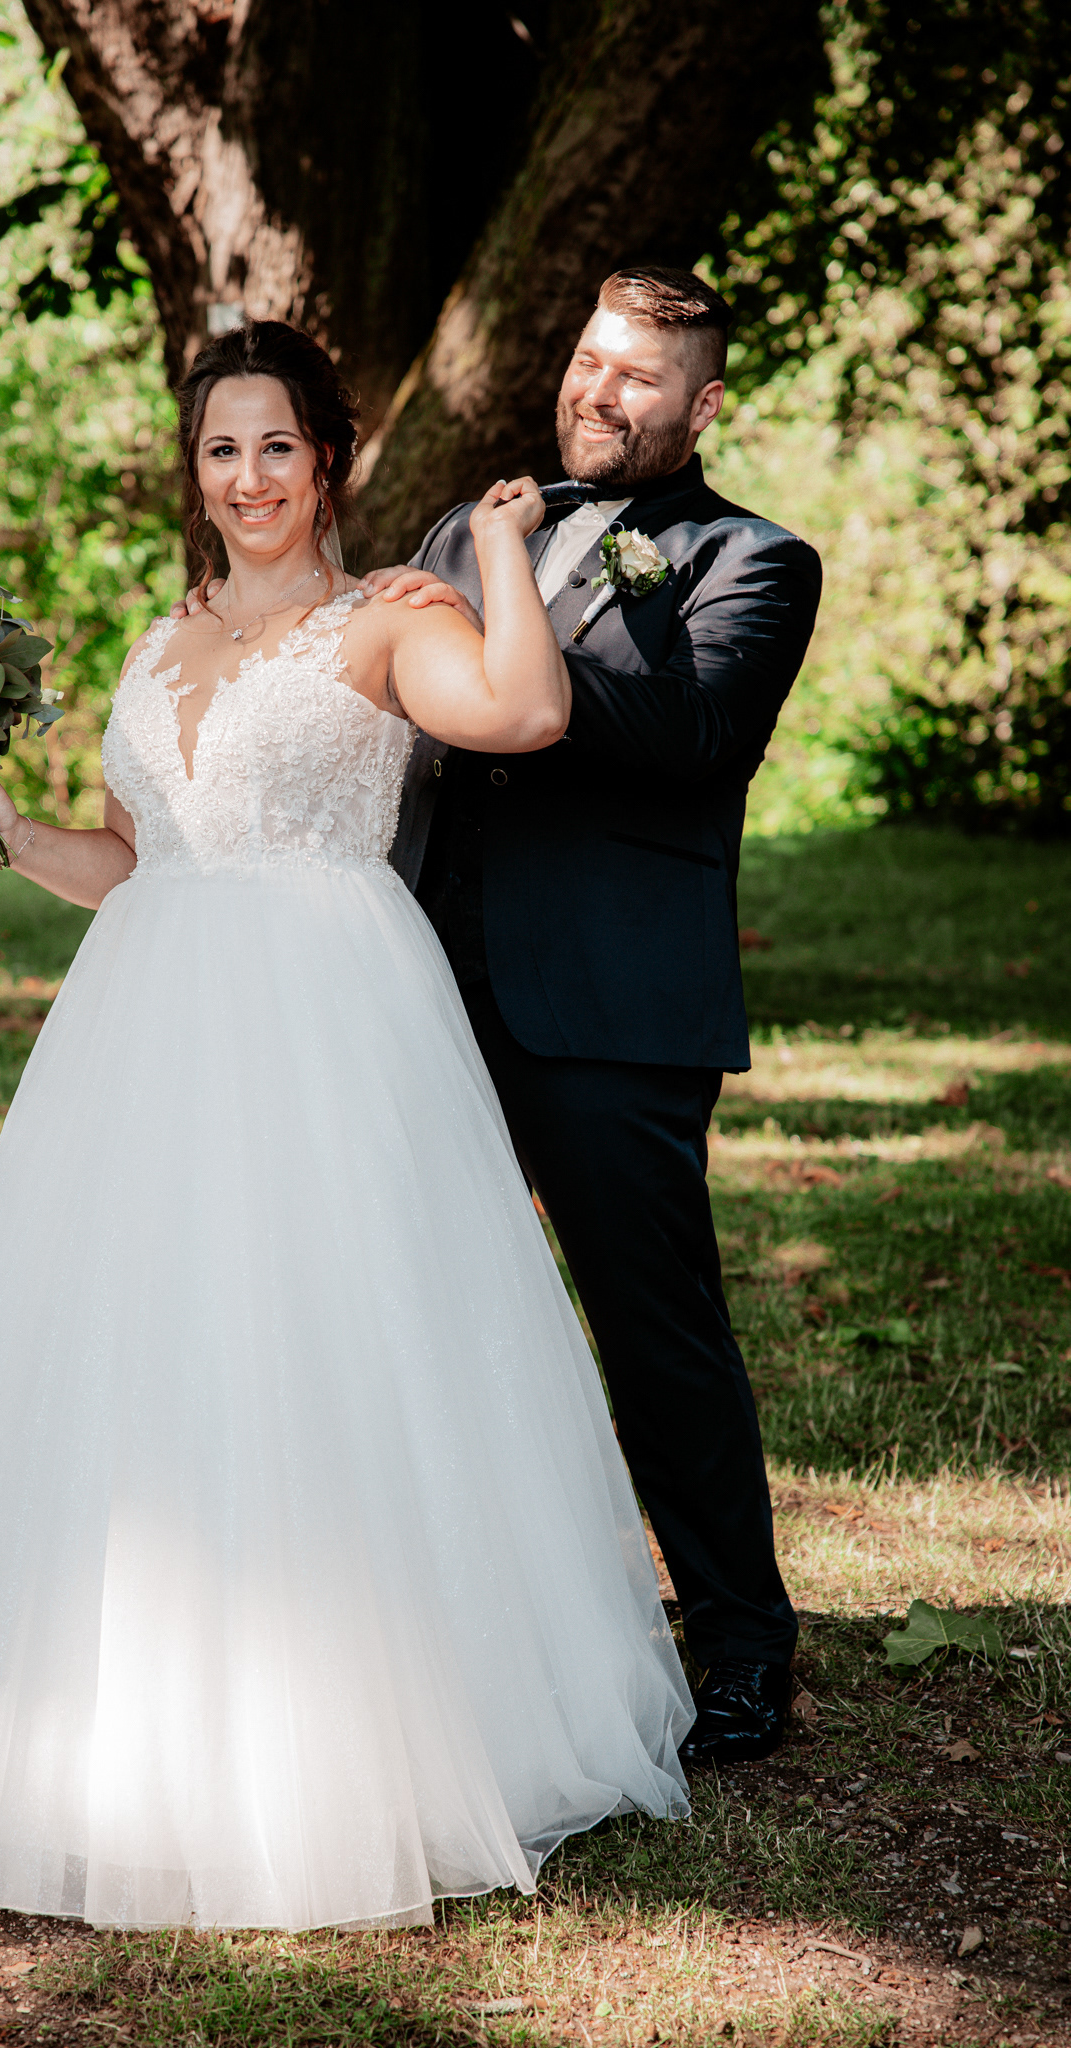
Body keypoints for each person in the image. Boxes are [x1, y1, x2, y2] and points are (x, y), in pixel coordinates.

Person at [0, 321, 692, 1934]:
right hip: (141, 1031)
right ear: (198, 470)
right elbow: (135, 858)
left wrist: (503, 550)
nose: (249, 481)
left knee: (319, 1339)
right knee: (121, 1341)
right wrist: (12, 832)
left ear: (329, 460)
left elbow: (518, 714)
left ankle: (347, 1716)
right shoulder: (157, 642)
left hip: (324, 1026)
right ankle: (83, 1695)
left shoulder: (391, 617)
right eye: (221, 451)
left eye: (278, 449)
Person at [367, 266, 824, 1766]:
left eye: (637, 377)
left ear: (700, 405)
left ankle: (744, 1647)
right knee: (422, 1314)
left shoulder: (751, 558)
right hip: (426, 981)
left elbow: (693, 735)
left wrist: (508, 629)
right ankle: (446, 1633)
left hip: (615, 1012)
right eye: (585, 361)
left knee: (655, 1336)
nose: (596, 392)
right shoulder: (471, 521)